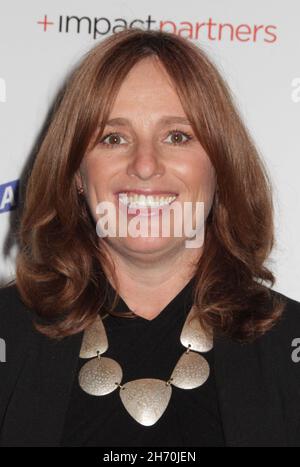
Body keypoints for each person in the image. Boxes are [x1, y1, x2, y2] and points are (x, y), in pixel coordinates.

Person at [0, 27, 300, 447]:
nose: (144, 165)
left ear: (220, 167)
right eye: (113, 137)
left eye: (177, 136)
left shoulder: (289, 345)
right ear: (76, 175)